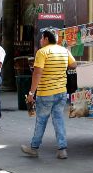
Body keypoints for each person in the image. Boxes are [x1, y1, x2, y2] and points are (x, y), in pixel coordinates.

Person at [22, 30, 76, 159]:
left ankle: (34, 148)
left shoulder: (42, 52)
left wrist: (31, 93)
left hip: (45, 93)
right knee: (58, 120)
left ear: (46, 39)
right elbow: (73, 64)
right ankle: (62, 150)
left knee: (41, 121)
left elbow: (37, 73)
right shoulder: (64, 50)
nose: (40, 41)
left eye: (41, 38)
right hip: (61, 92)